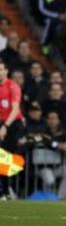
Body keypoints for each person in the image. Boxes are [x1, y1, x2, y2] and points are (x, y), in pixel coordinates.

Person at [0, 61, 24, 199]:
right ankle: (6, 192)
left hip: (14, 124)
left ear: (6, 71)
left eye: (1, 69)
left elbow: (15, 110)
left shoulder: (12, 86)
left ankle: (6, 191)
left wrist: (5, 127)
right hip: (2, 124)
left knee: (4, 155)